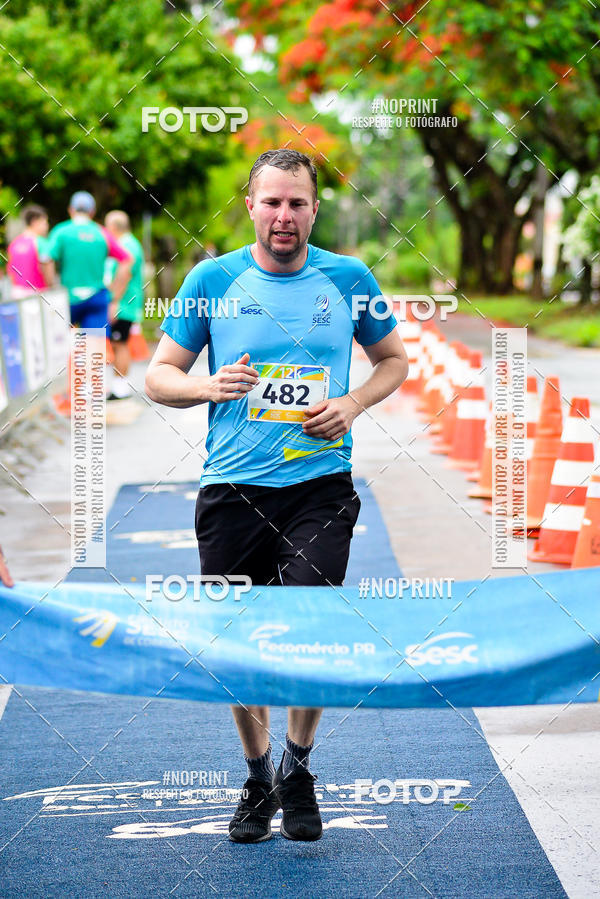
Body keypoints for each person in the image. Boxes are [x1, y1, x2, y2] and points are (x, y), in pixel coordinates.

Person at [145, 148, 408, 844]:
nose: (283, 215)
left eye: (297, 203)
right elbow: (159, 375)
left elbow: (394, 360)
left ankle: (300, 769)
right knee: (239, 646)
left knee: (311, 629)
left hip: (319, 484)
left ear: (314, 209)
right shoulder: (212, 278)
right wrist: (208, 386)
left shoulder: (348, 277)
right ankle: (259, 773)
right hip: (231, 490)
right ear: (251, 205)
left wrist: (351, 403)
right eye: (272, 202)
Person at [40, 191, 132, 331]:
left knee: (64, 346)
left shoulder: (61, 231)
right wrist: (115, 296)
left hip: (68, 298)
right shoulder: (102, 233)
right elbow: (126, 261)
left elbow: (46, 259)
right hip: (96, 297)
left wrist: (51, 287)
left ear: (71, 210)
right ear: (92, 212)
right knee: (93, 349)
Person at [103, 210, 145, 400]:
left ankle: (121, 387)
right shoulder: (128, 244)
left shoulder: (128, 245)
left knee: (120, 344)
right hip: (124, 303)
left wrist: (114, 301)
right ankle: (119, 385)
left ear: (113, 227)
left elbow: (124, 274)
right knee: (118, 343)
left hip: (124, 304)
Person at [7, 205, 50, 297]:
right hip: (38, 294)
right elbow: (48, 269)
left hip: (17, 294)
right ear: (35, 222)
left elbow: (11, 273)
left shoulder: (14, 244)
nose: (47, 226)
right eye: (45, 222)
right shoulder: (41, 242)